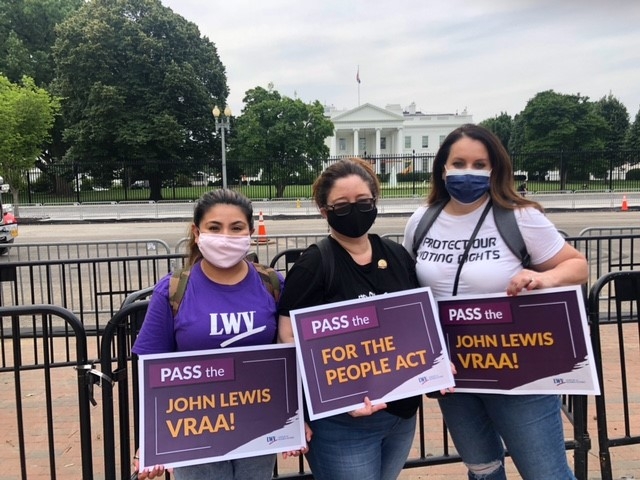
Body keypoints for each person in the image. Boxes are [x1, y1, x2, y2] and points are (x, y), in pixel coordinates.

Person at [403, 124, 587, 480]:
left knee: (545, 473)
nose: (467, 172)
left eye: (478, 164)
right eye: (458, 163)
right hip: (455, 374)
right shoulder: (421, 221)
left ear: (495, 168)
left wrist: (543, 278)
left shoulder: (520, 216)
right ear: (442, 168)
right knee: (482, 469)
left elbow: (577, 265)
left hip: (519, 371)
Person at [277, 157, 423, 480]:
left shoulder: (396, 255)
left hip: (400, 416)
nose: (354, 211)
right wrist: (297, 411)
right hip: (342, 425)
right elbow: (287, 340)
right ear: (323, 210)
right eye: (341, 205)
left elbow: (416, 323)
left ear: (375, 201)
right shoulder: (313, 266)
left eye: (363, 202)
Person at [131, 189, 283, 480]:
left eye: (236, 228)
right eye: (215, 227)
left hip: (257, 427)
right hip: (194, 430)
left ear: (250, 232)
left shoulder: (272, 284)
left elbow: (290, 351)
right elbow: (149, 370)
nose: (225, 236)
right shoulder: (173, 289)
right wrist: (149, 441)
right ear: (197, 232)